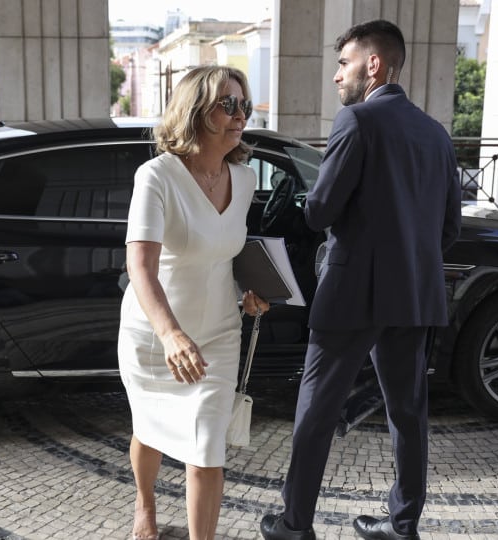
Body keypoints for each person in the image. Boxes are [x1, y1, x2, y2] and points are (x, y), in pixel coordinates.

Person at [259, 20, 461, 540]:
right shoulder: (437, 134)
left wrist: (311, 201)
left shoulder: (357, 121)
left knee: (317, 410)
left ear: (374, 65)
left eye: (343, 63)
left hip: (352, 295)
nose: (336, 77)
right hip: (415, 295)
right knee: (408, 414)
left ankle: (294, 524)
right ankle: (402, 525)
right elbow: (450, 229)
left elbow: (321, 211)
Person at [118, 65, 271, 540]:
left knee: (207, 448)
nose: (239, 114)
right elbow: (140, 267)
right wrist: (171, 334)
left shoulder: (244, 180)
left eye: (244, 105)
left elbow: (225, 252)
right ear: (195, 110)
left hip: (221, 332)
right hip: (155, 334)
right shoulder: (157, 177)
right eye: (228, 104)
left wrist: (253, 290)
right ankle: (145, 505)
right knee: (149, 430)